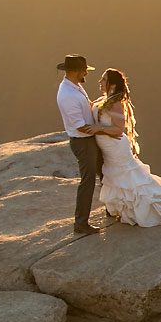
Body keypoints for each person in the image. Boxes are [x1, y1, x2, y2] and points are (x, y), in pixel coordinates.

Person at [91, 67, 161, 227]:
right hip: (109, 148)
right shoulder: (105, 101)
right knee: (118, 177)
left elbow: (118, 130)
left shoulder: (115, 103)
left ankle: (145, 209)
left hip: (115, 148)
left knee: (128, 178)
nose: (100, 82)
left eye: (103, 80)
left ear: (112, 85)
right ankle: (125, 209)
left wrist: (97, 129)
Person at [54, 54, 108, 235]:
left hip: (89, 140)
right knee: (88, 181)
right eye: (84, 70)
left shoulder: (75, 87)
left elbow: (86, 108)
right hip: (83, 143)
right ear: (76, 72)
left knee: (104, 172)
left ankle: (112, 207)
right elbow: (81, 127)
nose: (87, 72)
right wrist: (105, 130)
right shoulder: (67, 95)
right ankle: (81, 223)